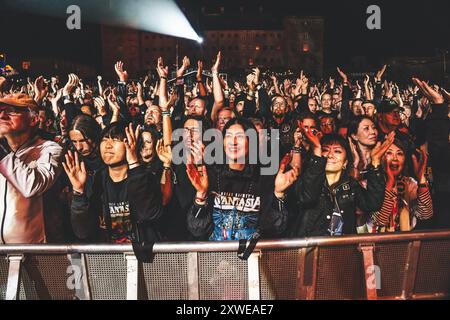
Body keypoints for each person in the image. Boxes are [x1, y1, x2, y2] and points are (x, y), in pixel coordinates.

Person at [186, 117, 298, 241]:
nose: (233, 142)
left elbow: (274, 229)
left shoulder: (264, 177)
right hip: (216, 258)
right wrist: (201, 195)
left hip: (252, 257)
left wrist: (278, 194)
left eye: (239, 136)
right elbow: (197, 230)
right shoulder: (210, 175)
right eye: (228, 136)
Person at [64, 122, 164, 243]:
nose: (108, 145)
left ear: (130, 144)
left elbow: (147, 214)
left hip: (141, 256)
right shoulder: (96, 180)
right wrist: (78, 191)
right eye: (105, 139)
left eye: (116, 139)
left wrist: (133, 163)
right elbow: (82, 232)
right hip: (107, 257)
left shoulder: (145, 178)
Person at [290, 133, 387, 237]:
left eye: (337, 151)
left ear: (345, 162)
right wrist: (317, 152)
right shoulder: (307, 180)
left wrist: (376, 162)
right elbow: (308, 198)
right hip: (310, 250)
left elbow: (373, 204)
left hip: (342, 250)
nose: (330, 155)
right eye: (325, 150)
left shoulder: (351, 185)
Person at [0, 93, 63, 243]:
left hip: (34, 254)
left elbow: (32, 186)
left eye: (11, 111)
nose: (2, 115)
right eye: (0, 110)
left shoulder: (50, 149)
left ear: (33, 119)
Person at [369, 140, 433, 232]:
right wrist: (390, 183)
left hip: (404, 242)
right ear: (380, 157)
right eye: (389, 153)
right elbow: (380, 221)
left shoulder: (409, 183)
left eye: (399, 154)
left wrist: (421, 180)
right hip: (375, 243)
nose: (395, 158)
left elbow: (425, 214)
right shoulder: (369, 183)